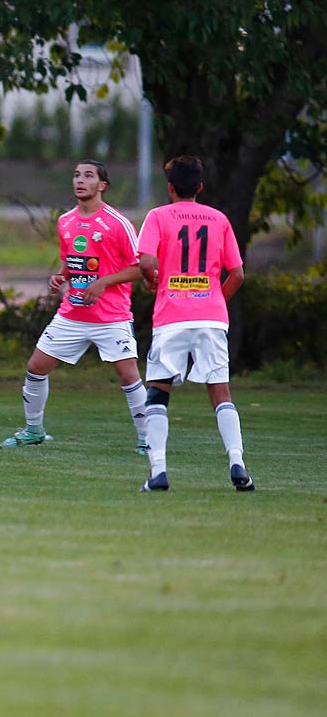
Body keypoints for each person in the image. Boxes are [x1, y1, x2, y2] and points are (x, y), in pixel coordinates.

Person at [0, 159, 149, 452]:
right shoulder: (65, 221)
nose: (80, 180)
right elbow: (70, 261)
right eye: (77, 175)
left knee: (129, 375)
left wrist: (103, 282)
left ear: (102, 185)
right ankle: (33, 430)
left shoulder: (118, 223)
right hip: (73, 313)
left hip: (111, 316)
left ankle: (148, 440)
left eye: (88, 176)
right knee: (36, 367)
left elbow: (139, 268)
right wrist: (60, 277)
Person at [135, 156, 252, 493]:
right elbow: (238, 274)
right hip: (211, 318)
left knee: (158, 393)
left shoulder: (158, 216)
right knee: (221, 393)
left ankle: (158, 471)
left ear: (170, 188)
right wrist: (214, 301)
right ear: (200, 187)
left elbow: (145, 261)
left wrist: (151, 280)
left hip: (171, 317)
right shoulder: (219, 219)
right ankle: (237, 463)